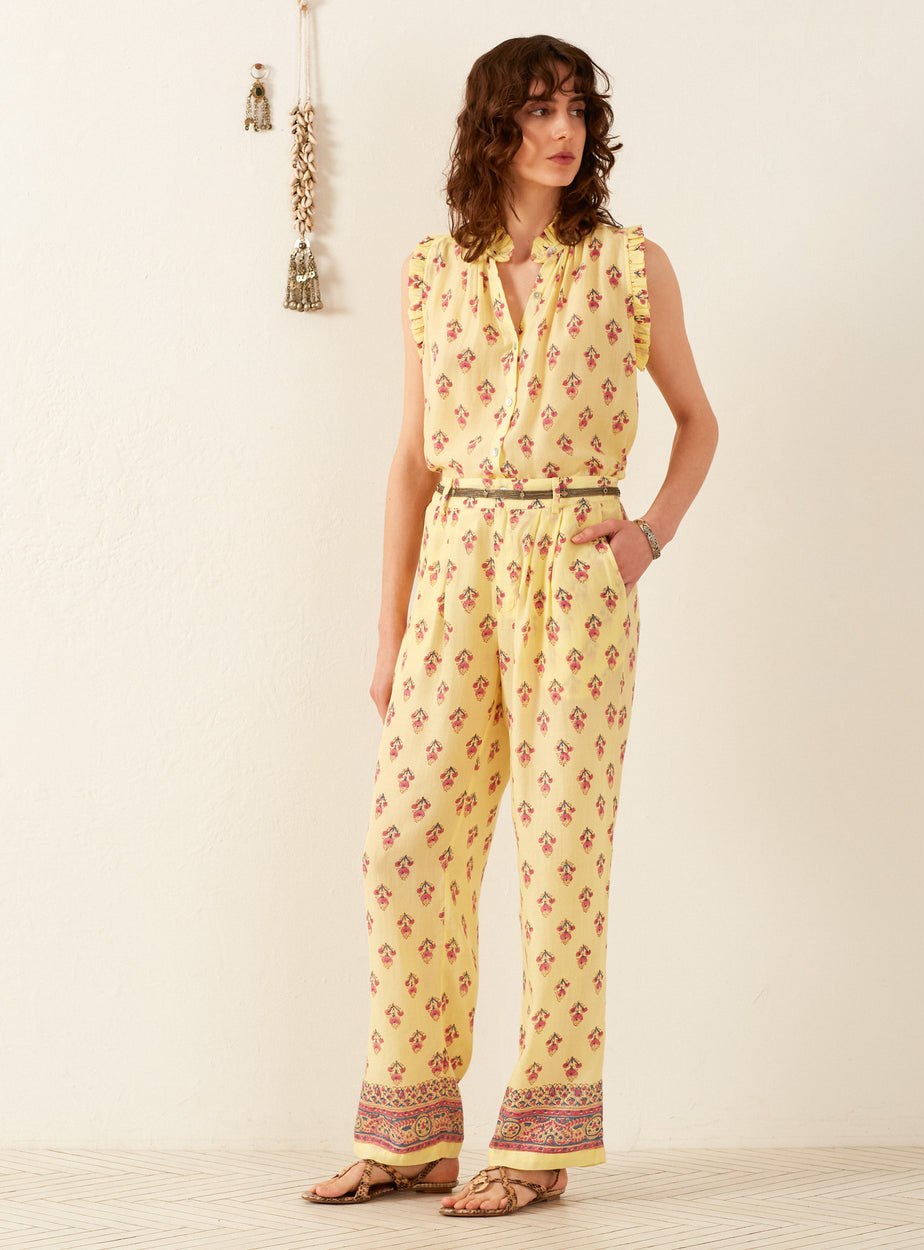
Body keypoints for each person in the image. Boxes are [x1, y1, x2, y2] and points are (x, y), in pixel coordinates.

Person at [302, 34, 718, 1217]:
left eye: (578, 107)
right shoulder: (430, 271)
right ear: (493, 125)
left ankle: (533, 1145)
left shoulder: (632, 266)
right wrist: (388, 636)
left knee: (559, 858)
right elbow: (406, 464)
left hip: (578, 580)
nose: (563, 127)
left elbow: (697, 422)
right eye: (538, 108)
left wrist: (645, 538)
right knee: (404, 841)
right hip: (453, 573)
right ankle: (411, 1129)